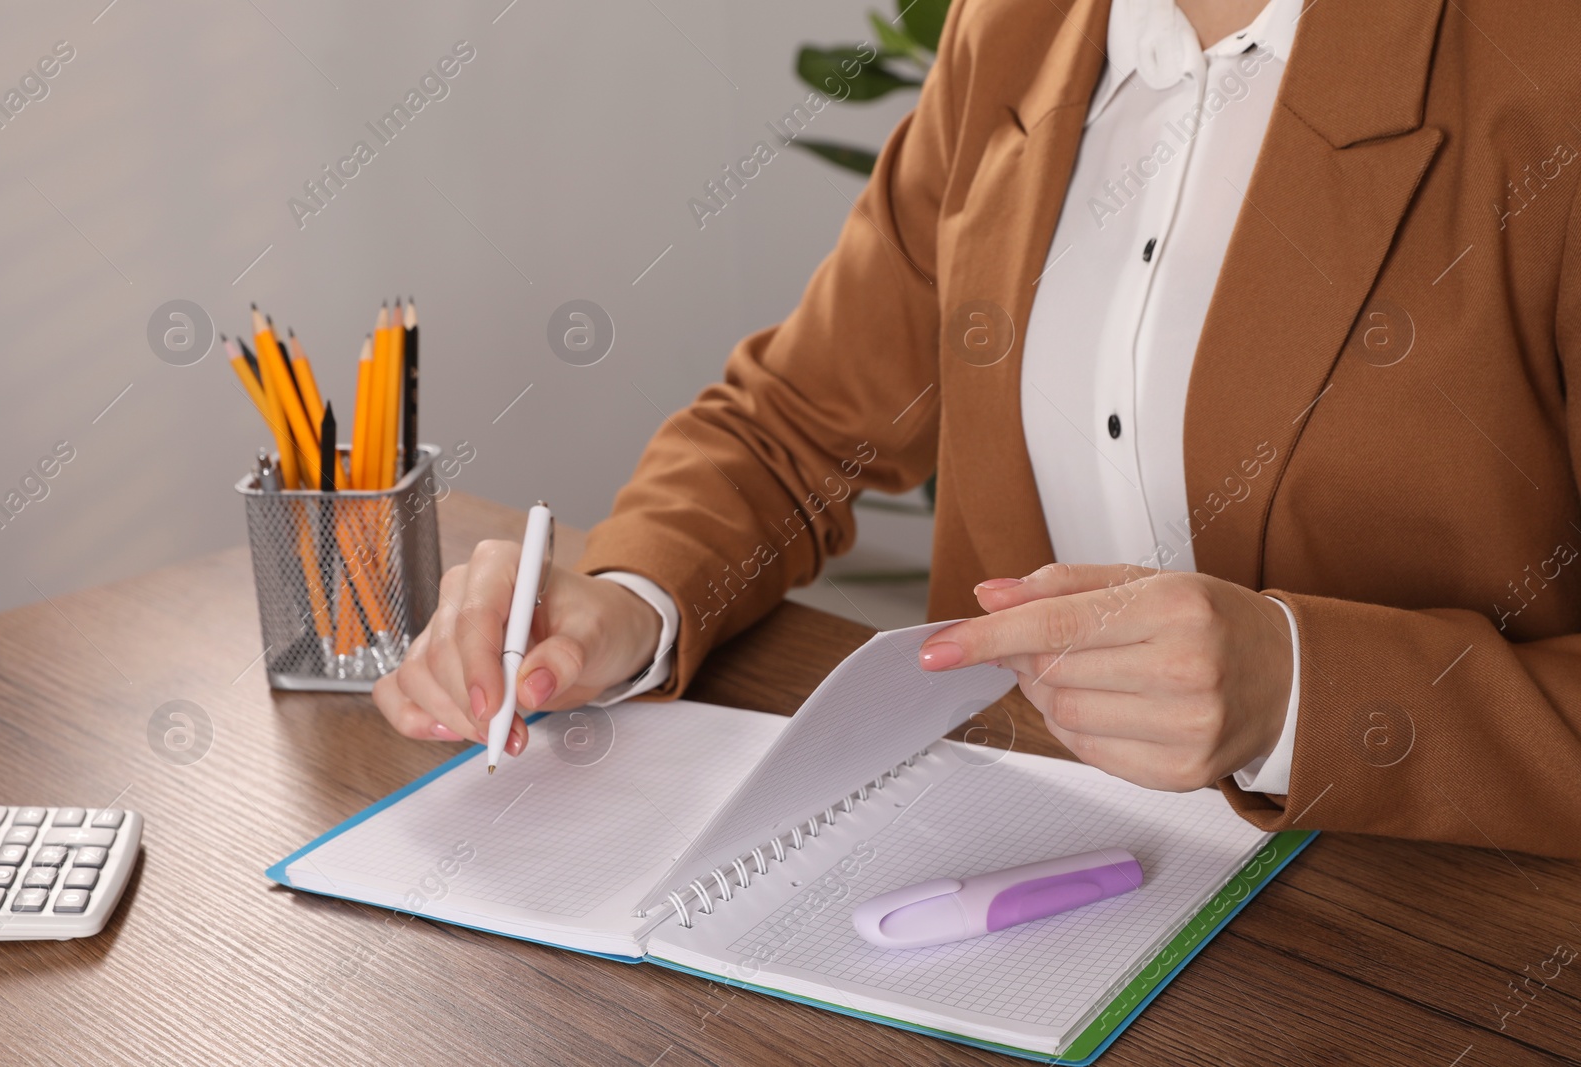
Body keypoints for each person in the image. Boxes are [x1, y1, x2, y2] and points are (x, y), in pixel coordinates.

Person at [375, 0, 1581, 859]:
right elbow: (800, 420)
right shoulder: (1015, 27)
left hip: (1426, 926)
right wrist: (625, 597)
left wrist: (1293, 690)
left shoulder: (1547, 71)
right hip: (1015, 861)